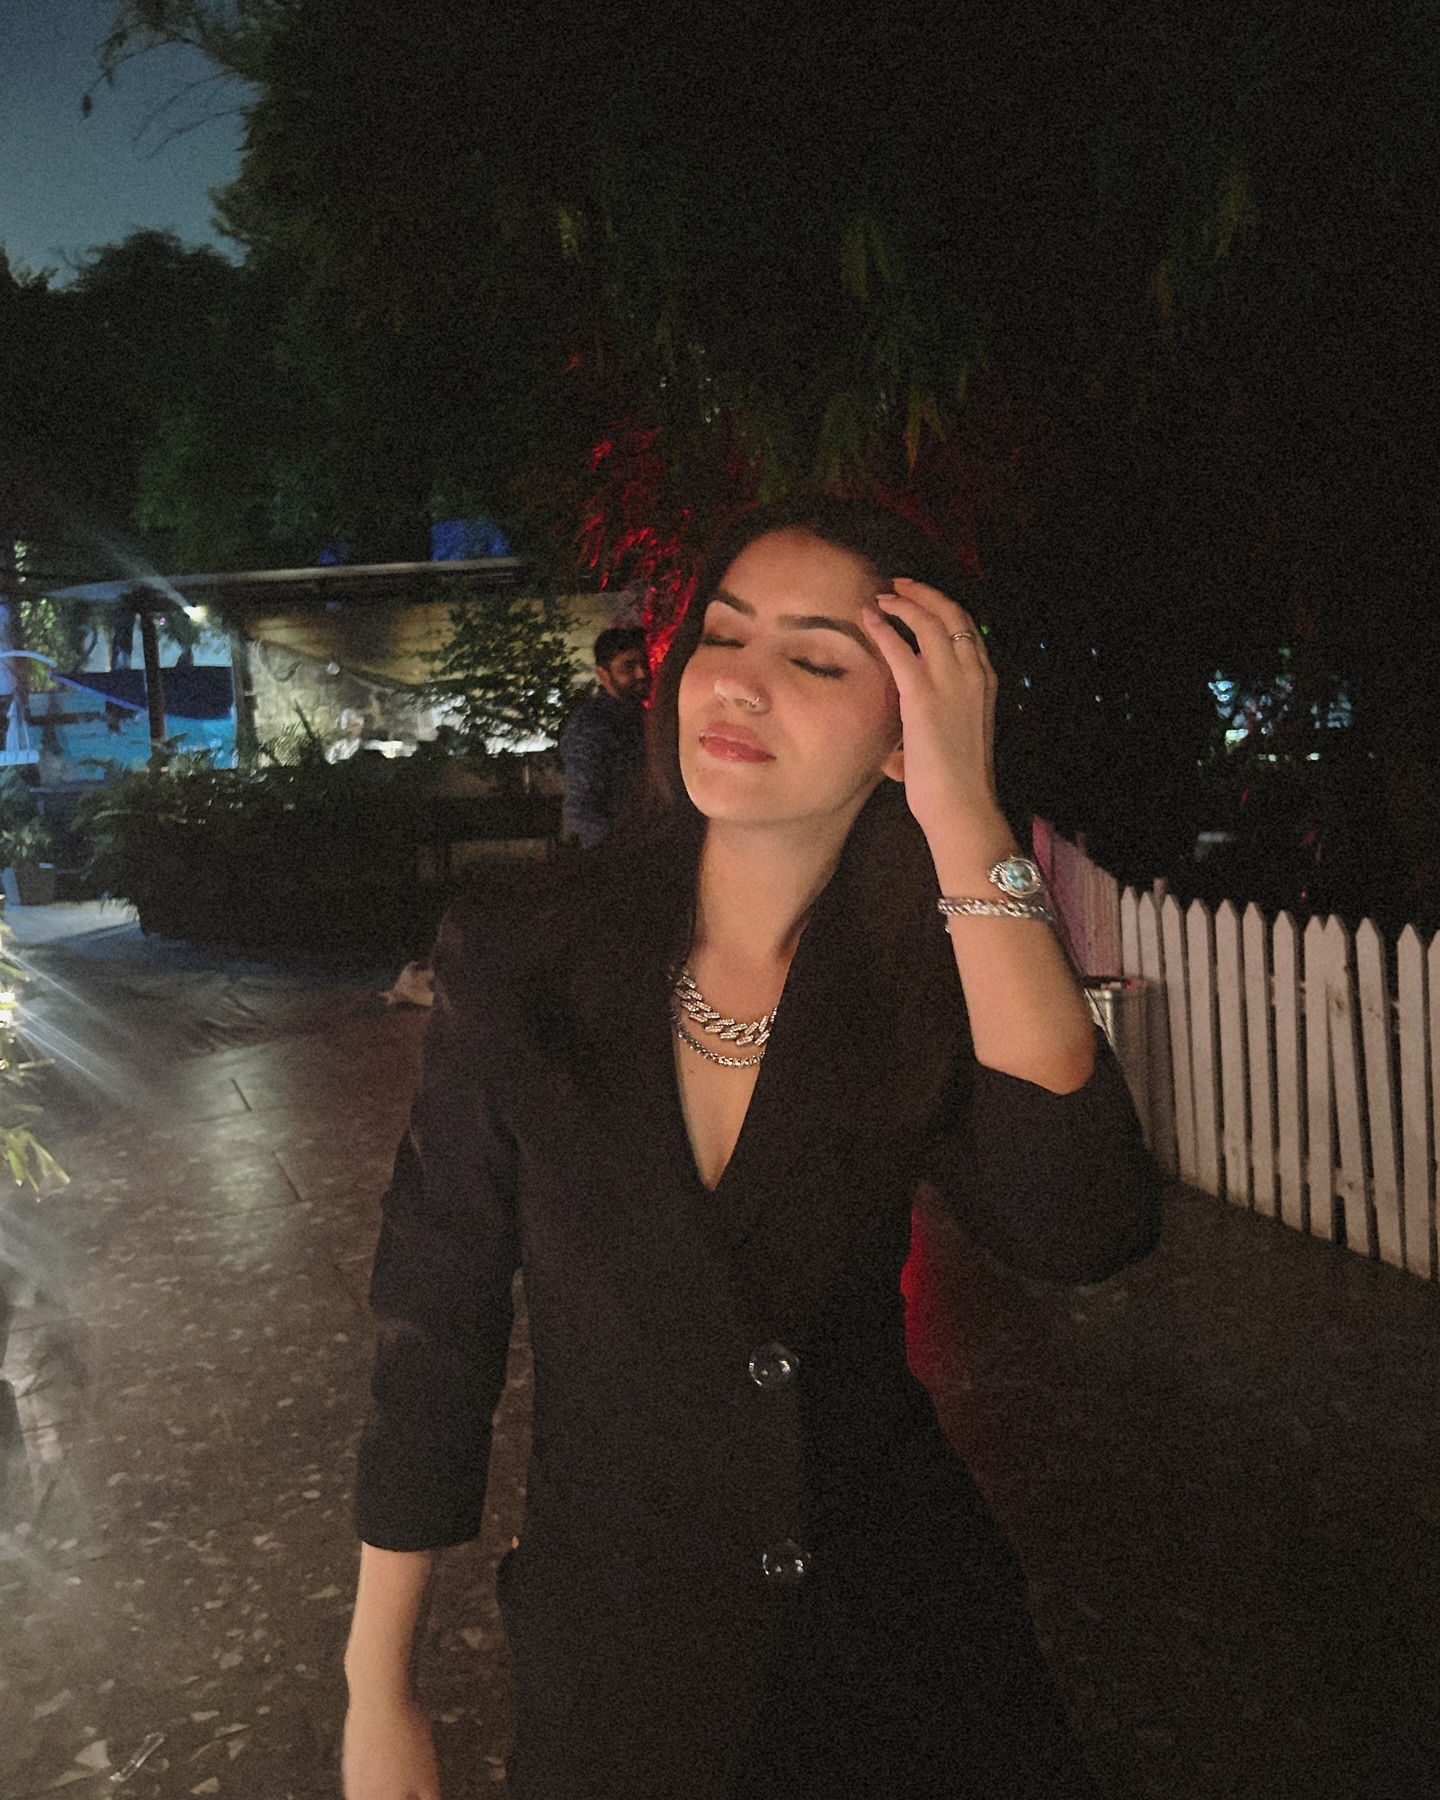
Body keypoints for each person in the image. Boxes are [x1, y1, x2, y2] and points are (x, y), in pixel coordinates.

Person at [341, 495, 1161, 1800]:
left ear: (905, 724)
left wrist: (965, 814)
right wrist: (379, 1684)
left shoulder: (922, 979)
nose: (738, 682)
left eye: (817, 660)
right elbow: (437, 1315)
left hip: (905, 1656)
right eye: (723, 636)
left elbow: (1083, 1224)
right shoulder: (523, 954)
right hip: (625, 1660)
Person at [558, 625, 651, 845]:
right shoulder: (591, 727)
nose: (641, 673)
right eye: (628, 666)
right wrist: (623, 849)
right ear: (603, 674)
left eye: (644, 664)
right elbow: (581, 809)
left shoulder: (644, 719)